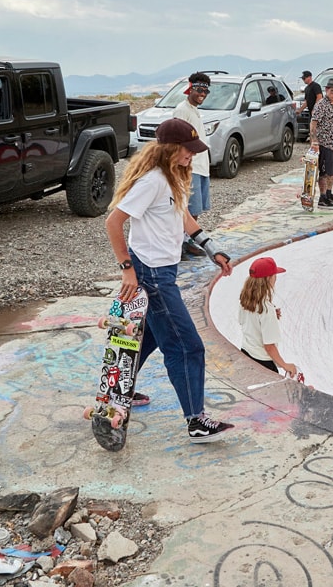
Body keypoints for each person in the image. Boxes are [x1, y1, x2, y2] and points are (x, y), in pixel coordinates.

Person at [104, 117, 236, 443]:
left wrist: (212, 250)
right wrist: (127, 269)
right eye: (187, 150)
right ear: (171, 148)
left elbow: (185, 218)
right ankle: (196, 420)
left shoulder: (172, 177)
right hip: (151, 275)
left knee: (146, 337)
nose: (192, 155)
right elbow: (113, 222)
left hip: (162, 272)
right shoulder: (152, 182)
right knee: (186, 346)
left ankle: (118, 392)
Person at [171, 72, 212, 258]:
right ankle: (179, 244)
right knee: (187, 208)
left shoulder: (194, 110)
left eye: (206, 90)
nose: (202, 93)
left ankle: (188, 241)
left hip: (202, 165)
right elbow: (177, 141)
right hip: (190, 166)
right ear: (190, 89)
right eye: (199, 89)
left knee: (196, 208)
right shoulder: (182, 110)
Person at [237, 256, 298, 377]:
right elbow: (269, 346)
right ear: (269, 279)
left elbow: (244, 321)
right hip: (263, 362)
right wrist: (285, 365)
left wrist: (270, 318)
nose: (276, 278)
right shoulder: (266, 309)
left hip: (246, 353)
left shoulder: (244, 301)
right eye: (275, 275)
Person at [308, 78, 333, 208]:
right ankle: (322, 197)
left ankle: (329, 194)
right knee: (324, 172)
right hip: (323, 143)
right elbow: (313, 123)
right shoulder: (321, 104)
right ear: (327, 90)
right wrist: (314, 141)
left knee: (332, 171)